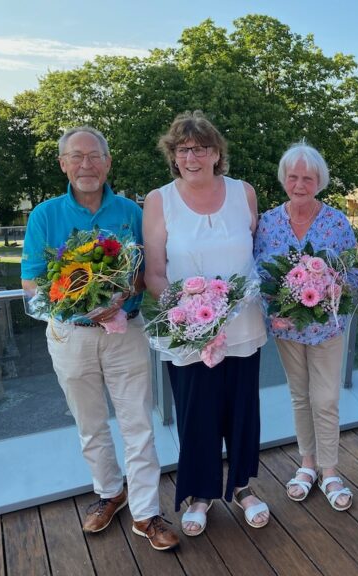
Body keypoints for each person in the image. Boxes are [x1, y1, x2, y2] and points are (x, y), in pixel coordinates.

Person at [21, 127, 179, 551]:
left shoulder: (131, 212)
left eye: (94, 156)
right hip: (70, 335)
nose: (86, 165)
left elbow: (148, 272)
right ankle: (110, 493)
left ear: (108, 162)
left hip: (125, 331)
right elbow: (31, 281)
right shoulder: (44, 215)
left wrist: (124, 293)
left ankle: (146, 513)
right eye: (76, 157)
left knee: (138, 425)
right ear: (63, 164)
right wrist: (77, 302)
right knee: (90, 424)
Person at [143, 111, 269, 535]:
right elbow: (154, 273)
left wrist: (227, 309)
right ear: (173, 156)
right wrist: (189, 317)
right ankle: (200, 494)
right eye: (182, 149)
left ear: (217, 153)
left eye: (200, 148)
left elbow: (255, 254)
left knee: (242, 410)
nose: (191, 157)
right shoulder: (159, 200)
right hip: (189, 331)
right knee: (197, 413)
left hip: (243, 326)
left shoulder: (244, 193)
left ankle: (242, 487)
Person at [254, 143, 358, 511]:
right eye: (293, 177)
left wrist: (333, 290)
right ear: (284, 178)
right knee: (300, 396)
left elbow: (356, 271)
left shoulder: (336, 222)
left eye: (308, 178)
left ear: (320, 182)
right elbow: (257, 274)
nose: (300, 185)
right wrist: (272, 311)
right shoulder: (268, 223)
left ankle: (330, 470)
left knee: (325, 398)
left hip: (326, 328)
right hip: (286, 329)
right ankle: (308, 464)